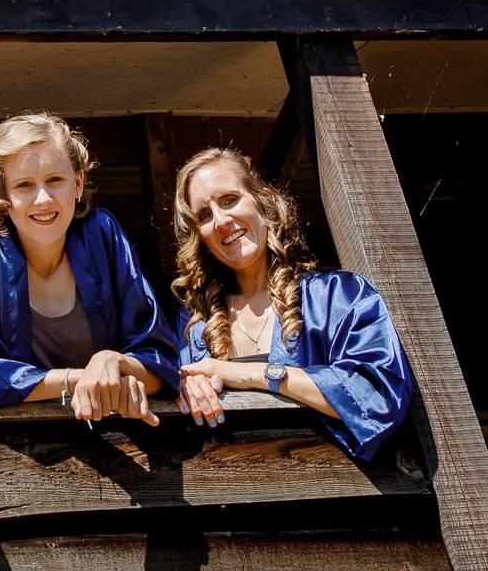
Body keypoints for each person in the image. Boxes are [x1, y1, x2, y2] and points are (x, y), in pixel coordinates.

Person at [171, 147, 413, 461]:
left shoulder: (336, 297)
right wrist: (183, 386)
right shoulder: (195, 325)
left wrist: (255, 374)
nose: (220, 220)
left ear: (265, 202)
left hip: (330, 482)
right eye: (204, 215)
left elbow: (379, 399)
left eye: (229, 200)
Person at [0, 112, 178, 424]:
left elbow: (162, 365)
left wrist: (113, 361)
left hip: (114, 436)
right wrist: (79, 379)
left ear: (78, 183)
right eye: (24, 185)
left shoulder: (102, 233)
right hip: (6, 442)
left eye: (55, 180)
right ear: (2, 194)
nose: (43, 199)